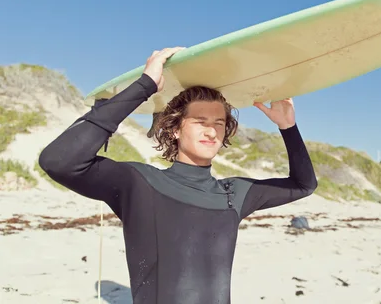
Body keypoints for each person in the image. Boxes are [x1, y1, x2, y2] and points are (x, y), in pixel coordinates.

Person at [38, 47, 318, 304]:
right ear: (174, 129)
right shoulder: (139, 183)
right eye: (200, 122)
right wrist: (144, 86)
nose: (211, 131)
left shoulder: (234, 193)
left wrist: (288, 127)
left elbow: (304, 185)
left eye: (219, 124)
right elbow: (58, 161)